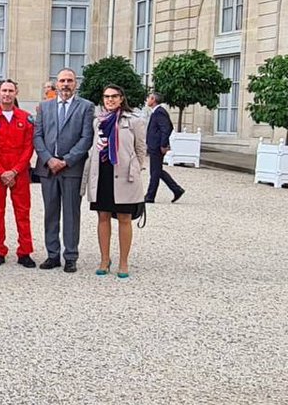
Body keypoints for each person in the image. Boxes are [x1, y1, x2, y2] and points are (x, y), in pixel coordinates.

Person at [32, 68, 95, 273]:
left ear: (75, 83)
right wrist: (49, 159)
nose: (65, 84)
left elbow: (86, 138)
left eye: (69, 80)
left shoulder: (86, 107)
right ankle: (52, 255)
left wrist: (66, 160)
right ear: (56, 84)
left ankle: (70, 256)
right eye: (62, 81)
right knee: (50, 213)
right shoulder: (44, 107)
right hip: (48, 169)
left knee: (71, 213)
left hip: (71, 169)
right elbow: (37, 136)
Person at [85, 85, 147, 279]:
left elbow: (141, 148)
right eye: (106, 97)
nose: (110, 100)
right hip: (102, 173)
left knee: (124, 218)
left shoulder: (135, 121)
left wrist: (135, 169)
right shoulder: (98, 121)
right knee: (103, 217)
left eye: (114, 96)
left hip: (124, 174)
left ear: (121, 98)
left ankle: (123, 262)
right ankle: (105, 259)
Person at [0, 79, 36, 267]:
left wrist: (14, 171)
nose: (7, 94)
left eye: (10, 90)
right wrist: (1, 171)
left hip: (19, 171)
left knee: (23, 212)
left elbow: (29, 147)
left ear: (16, 93)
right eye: (3, 90)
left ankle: (25, 252)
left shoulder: (26, 118)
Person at [144, 91, 185, 204]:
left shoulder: (159, 112)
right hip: (154, 145)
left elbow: (166, 128)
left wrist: (163, 144)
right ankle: (177, 190)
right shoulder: (156, 112)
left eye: (149, 98)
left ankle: (150, 196)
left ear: (153, 100)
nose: (147, 100)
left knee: (155, 171)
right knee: (157, 171)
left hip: (157, 146)